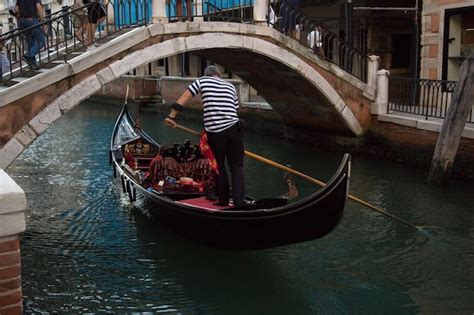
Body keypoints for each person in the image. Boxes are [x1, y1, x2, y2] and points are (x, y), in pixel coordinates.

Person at [164, 65, 246, 207]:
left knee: (218, 166)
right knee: (237, 167)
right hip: (235, 129)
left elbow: (185, 97)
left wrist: (171, 117)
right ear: (219, 75)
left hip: (216, 132)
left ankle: (224, 200)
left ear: (207, 75)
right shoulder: (230, 86)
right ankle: (239, 202)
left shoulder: (202, 81)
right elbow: (235, 109)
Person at [15, 0, 46, 70]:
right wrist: (43, 21)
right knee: (41, 41)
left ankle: (33, 64)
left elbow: (16, 9)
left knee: (31, 42)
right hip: (31, 20)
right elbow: (38, 7)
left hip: (22, 22)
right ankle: (28, 55)